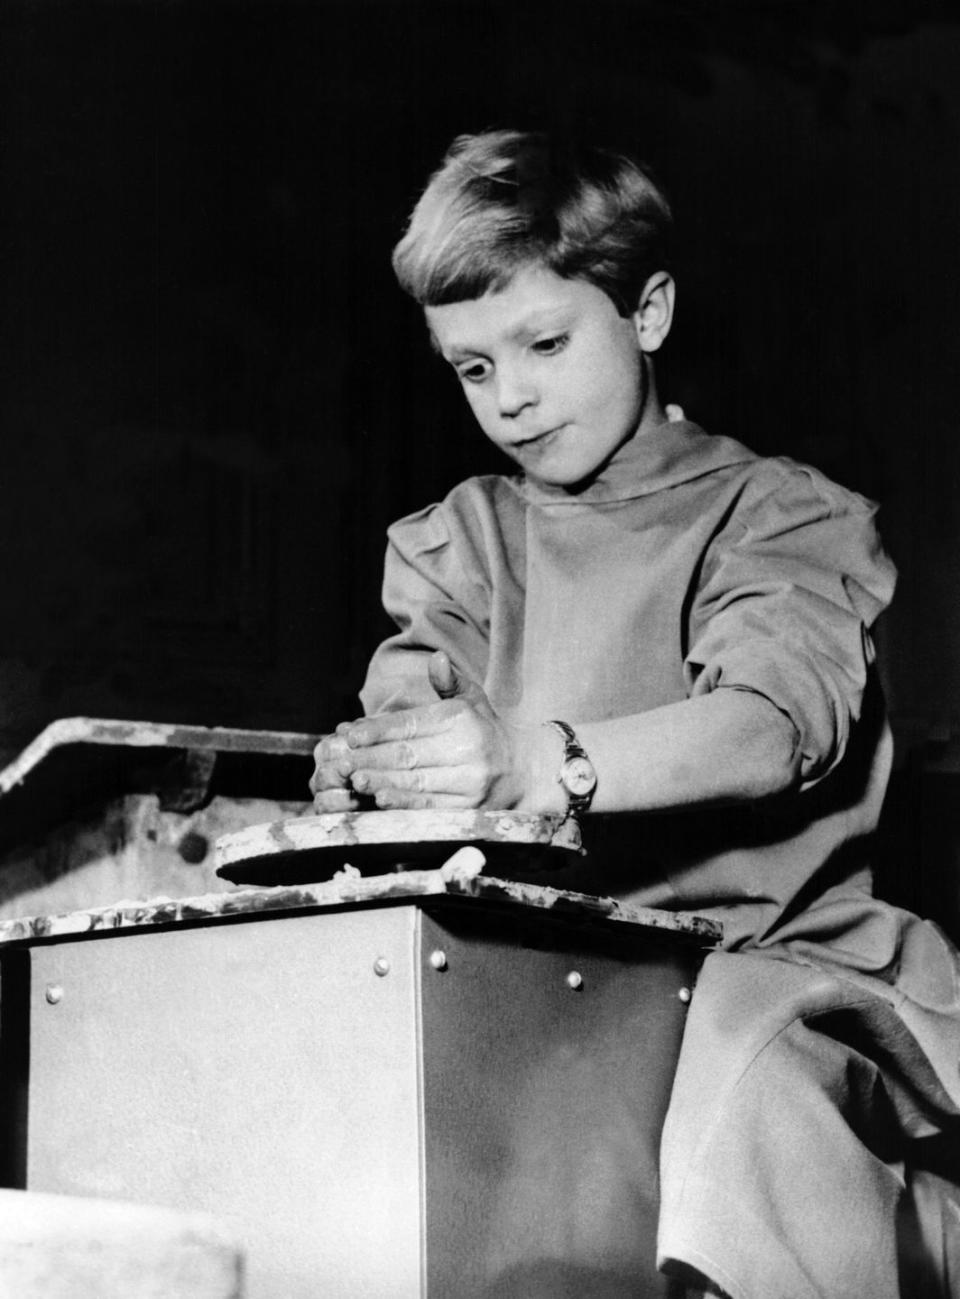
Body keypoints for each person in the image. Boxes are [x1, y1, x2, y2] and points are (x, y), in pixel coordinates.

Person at [311, 130, 960, 1297]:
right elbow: (415, 702)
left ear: (647, 312)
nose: (509, 398)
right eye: (470, 369)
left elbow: (772, 721)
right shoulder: (459, 544)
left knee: (745, 1062)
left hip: (778, 971)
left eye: (544, 344)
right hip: (550, 975)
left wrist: (538, 763)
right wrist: (380, 766)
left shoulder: (780, 516)